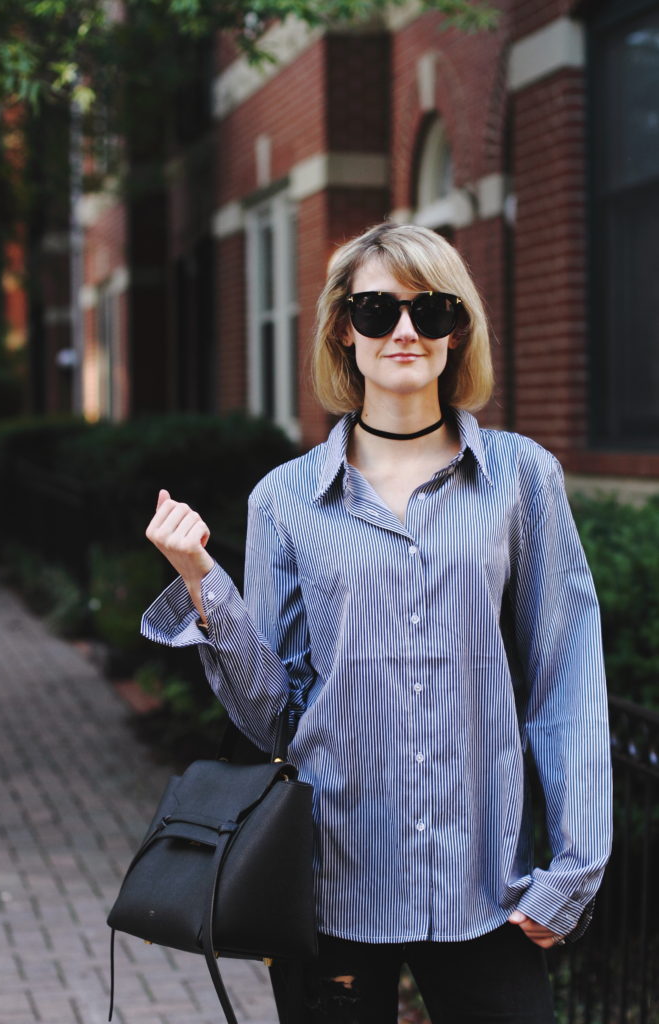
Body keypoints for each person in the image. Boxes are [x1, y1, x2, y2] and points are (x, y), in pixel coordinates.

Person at [141, 222, 612, 1024]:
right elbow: (275, 719)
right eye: (376, 310)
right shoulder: (285, 499)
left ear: (457, 331)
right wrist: (199, 582)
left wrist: (573, 868)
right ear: (341, 329)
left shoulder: (522, 479)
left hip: (486, 886)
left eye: (430, 311)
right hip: (333, 885)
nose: (403, 332)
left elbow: (564, 677)